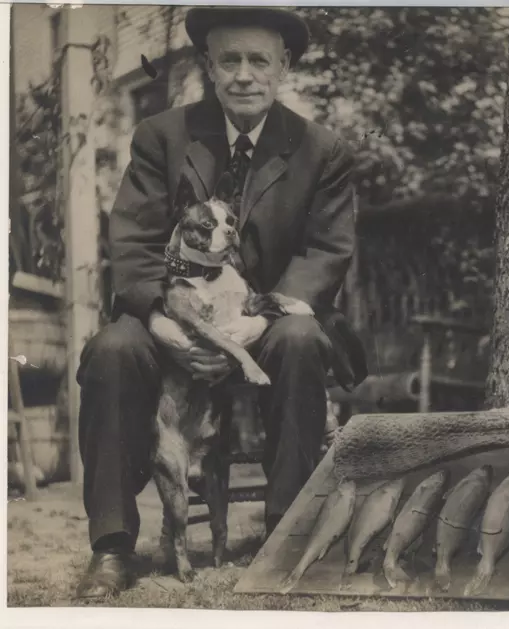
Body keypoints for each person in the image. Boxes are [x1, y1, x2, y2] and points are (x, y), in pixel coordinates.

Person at [75, 7, 365, 599]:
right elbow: (131, 242)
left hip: (271, 324)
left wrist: (255, 323)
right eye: (228, 59)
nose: (243, 74)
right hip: (174, 317)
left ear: (284, 65)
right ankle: (111, 547)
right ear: (208, 65)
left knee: (303, 338)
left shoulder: (320, 150)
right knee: (111, 348)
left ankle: (283, 535)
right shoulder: (163, 135)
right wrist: (161, 321)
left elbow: (326, 252)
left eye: (259, 60)